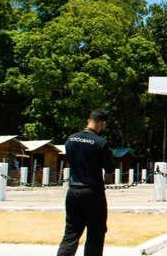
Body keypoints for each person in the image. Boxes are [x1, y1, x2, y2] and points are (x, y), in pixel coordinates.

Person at [56, 109, 116, 256]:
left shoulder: (70, 139)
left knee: (71, 233)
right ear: (102, 123)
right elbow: (109, 168)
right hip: (93, 193)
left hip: (73, 191)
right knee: (96, 234)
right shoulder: (100, 143)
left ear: (89, 120)